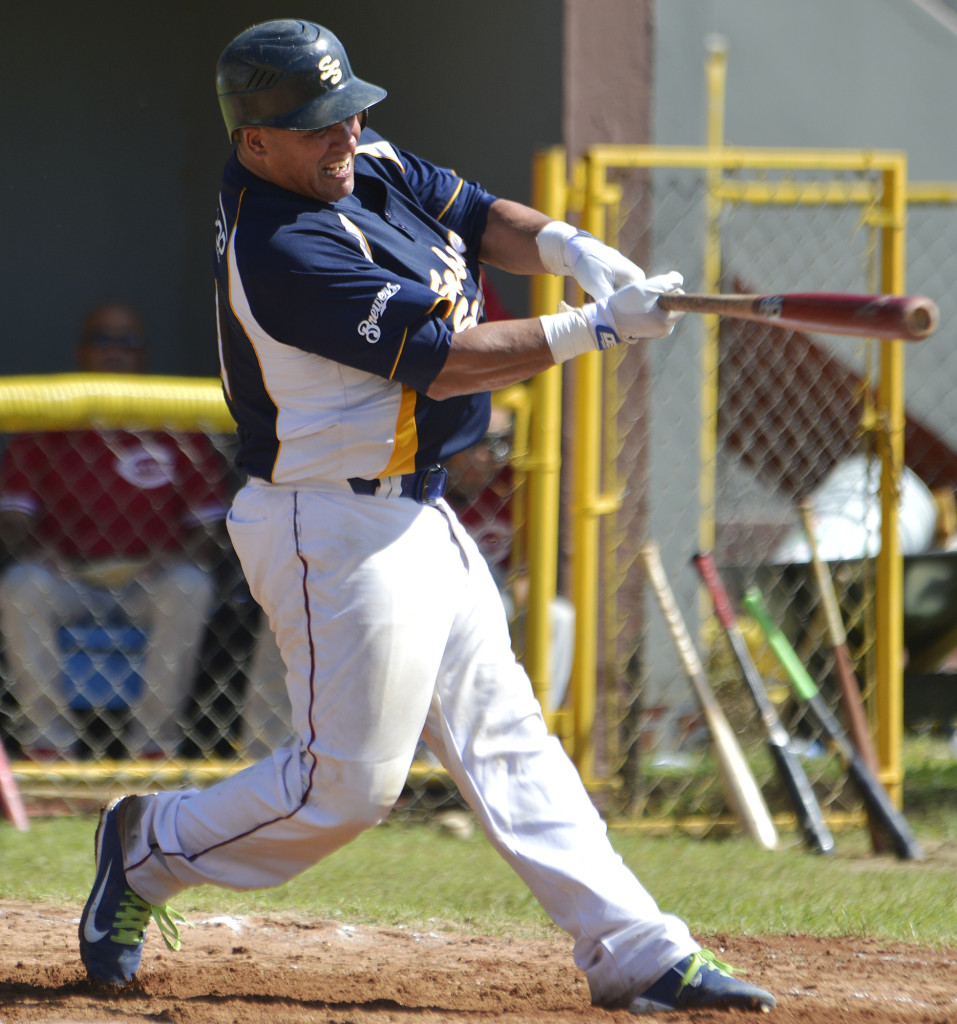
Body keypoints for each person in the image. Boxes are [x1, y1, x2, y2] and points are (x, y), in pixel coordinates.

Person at [77, 21, 776, 1015]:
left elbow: (484, 214)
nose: (345, 134)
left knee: (509, 741)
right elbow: (444, 357)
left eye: (350, 113)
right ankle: (146, 844)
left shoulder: (360, 163)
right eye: (318, 125)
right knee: (347, 789)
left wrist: (573, 250)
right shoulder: (284, 248)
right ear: (255, 140)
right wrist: (595, 328)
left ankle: (640, 951)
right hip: (331, 526)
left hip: (421, 510)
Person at [0, 303, 229, 760]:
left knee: (190, 584)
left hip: (149, 577)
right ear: (81, 350)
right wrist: (36, 547)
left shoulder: (175, 423)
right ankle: (50, 745)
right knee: (22, 583)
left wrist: (184, 555)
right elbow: (14, 516)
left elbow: (210, 526)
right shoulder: (48, 420)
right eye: (103, 339)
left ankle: (153, 746)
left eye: (127, 342)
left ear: (143, 354)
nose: (115, 351)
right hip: (70, 578)